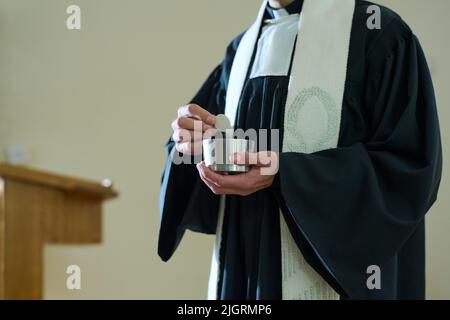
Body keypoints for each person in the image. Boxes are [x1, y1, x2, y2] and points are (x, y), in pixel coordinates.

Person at [158, 0, 442, 300]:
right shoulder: (240, 51)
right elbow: (198, 162)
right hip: (246, 274)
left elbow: (407, 170)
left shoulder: (379, 34)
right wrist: (193, 142)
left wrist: (287, 174)